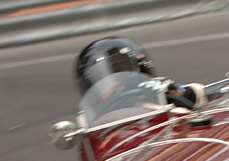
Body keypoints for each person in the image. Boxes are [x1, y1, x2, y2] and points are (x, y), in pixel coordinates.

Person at [74, 37, 207, 110]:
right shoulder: (93, 129)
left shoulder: (159, 91)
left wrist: (167, 93)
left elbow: (194, 94)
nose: (114, 82)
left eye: (121, 70)